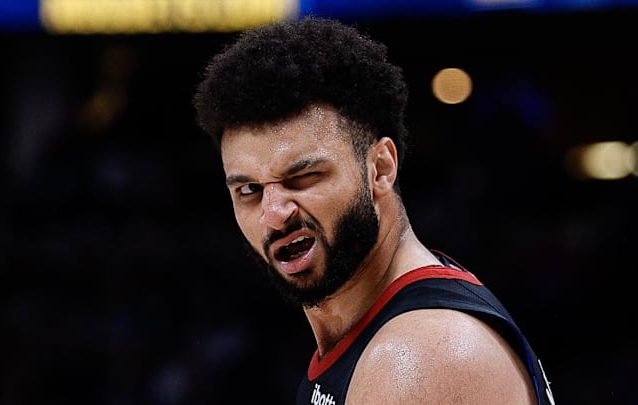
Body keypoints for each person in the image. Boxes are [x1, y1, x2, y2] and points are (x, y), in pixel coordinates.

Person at [192, 16, 555, 405]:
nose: (275, 213)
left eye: (305, 177)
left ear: (380, 168)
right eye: (249, 190)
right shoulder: (382, 328)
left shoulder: (418, 359)